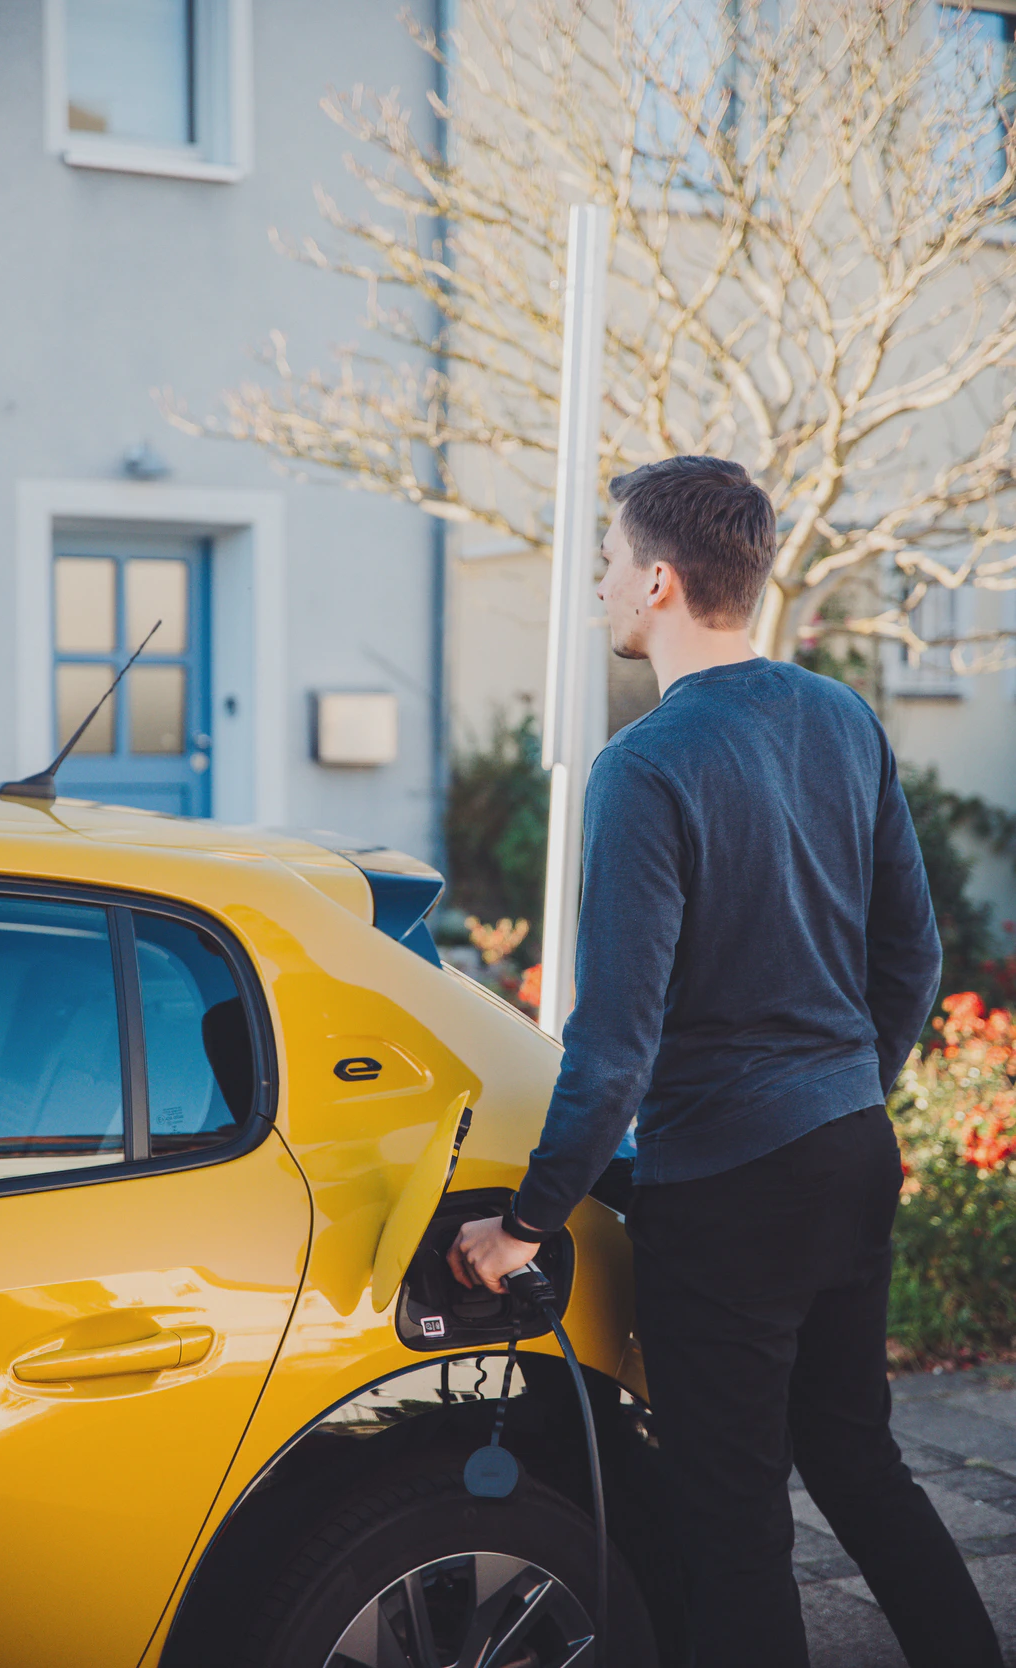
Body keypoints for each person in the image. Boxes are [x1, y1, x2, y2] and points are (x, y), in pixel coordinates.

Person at [447, 456, 1002, 1668]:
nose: (596, 585)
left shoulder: (645, 767)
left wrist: (527, 1226)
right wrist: (848, 1088)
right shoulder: (842, 719)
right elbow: (913, 952)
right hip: (852, 1151)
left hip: (730, 1192)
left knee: (732, 1522)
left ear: (656, 580)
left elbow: (613, 1043)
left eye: (604, 564)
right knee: (862, 1465)